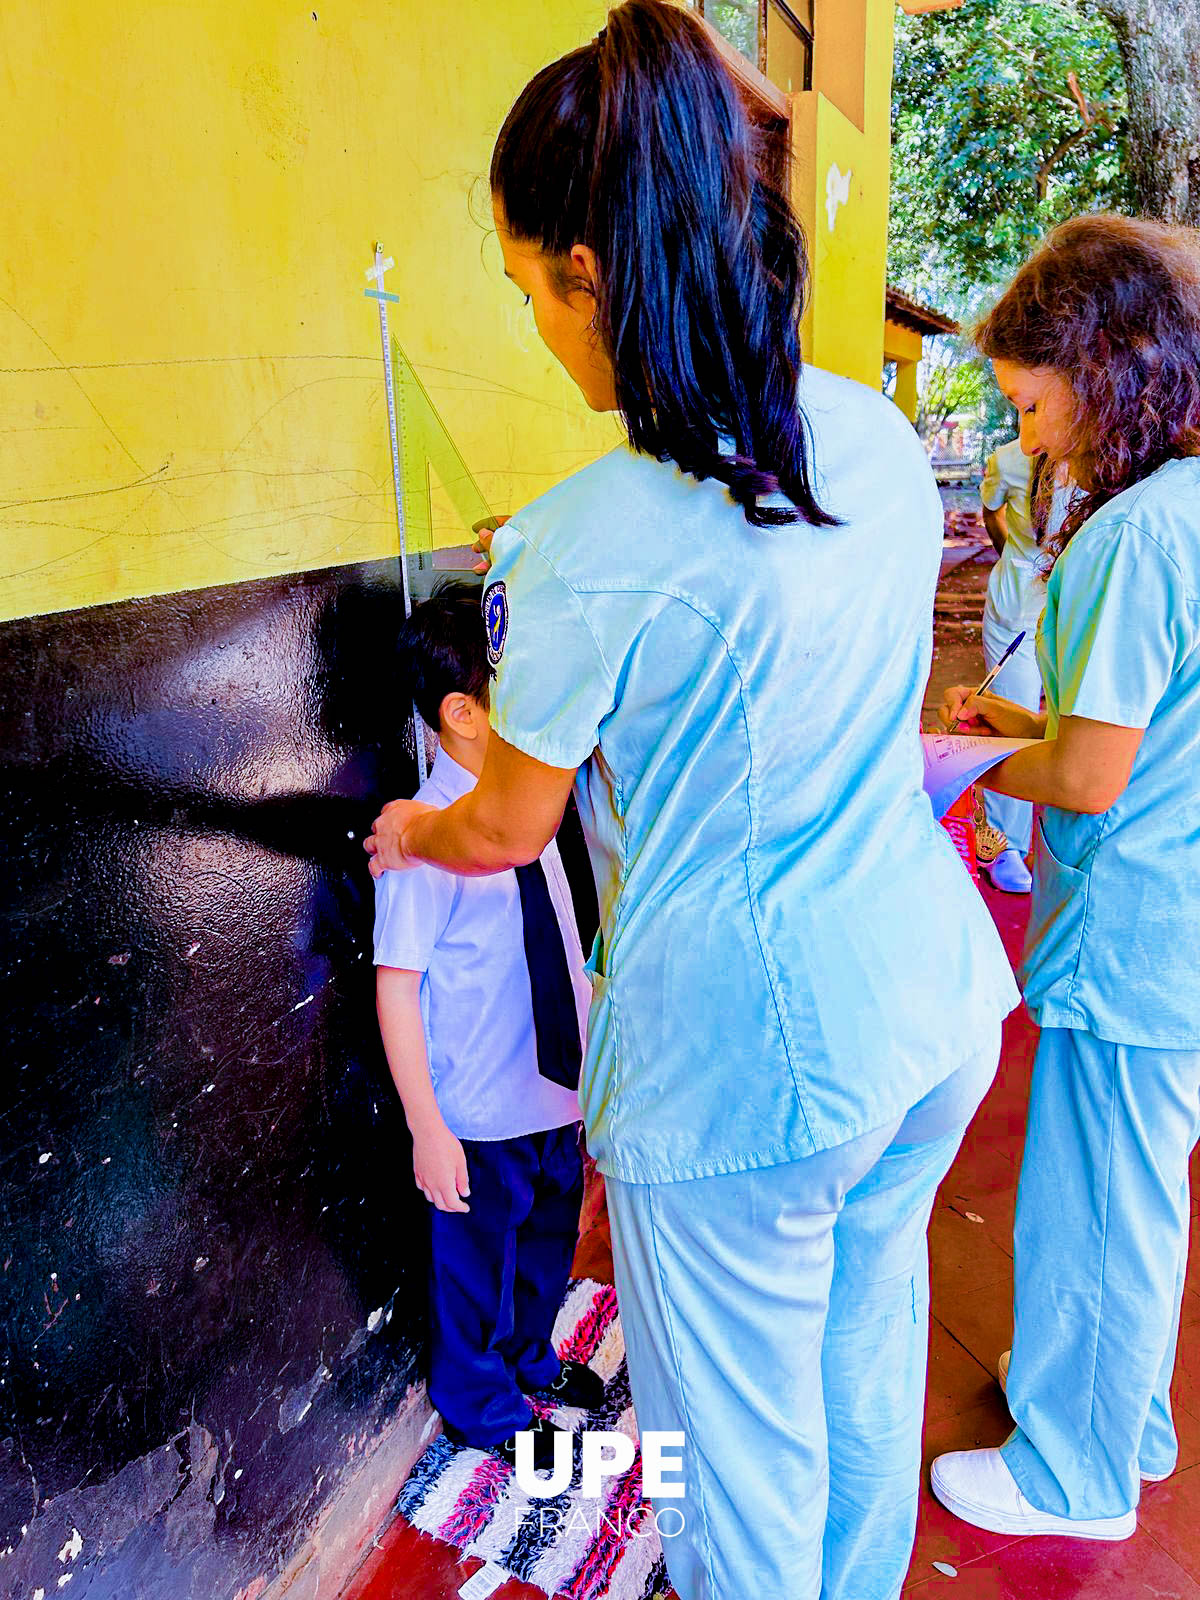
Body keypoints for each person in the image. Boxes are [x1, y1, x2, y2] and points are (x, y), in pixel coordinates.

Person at [367, 5, 1016, 1595]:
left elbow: (510, 821)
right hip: (922, 1010)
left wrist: (412, 830)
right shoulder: (859, 431)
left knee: (728, 1471)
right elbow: (742, 578)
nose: (533, 327)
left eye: (530, 289)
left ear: (597, 270)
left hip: (747, 1075)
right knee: (856, 1366)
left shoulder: (589, 538)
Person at [931, 214, 1200, 1544]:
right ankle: (1123, 1423)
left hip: (1138, 929)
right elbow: (1132, 733)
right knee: (1134, 1194)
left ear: (1101, 367)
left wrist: (955, 759)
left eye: (1031, 403)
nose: (1030, 438)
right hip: (1177, 925)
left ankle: (1074, 1480)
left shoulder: (1135, 533)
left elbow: (1094, 777)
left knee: (1097, 1207)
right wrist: (1014, 729)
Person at [373, 580, 603, 1471]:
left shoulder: (529, 804)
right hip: (477, 1111)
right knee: (475, 1268)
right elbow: (397, 987)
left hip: (555, 1088)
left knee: (548, 1244)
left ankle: (530, 1359)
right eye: (526, 685)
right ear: (465, 713)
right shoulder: (418, 839)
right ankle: (479, 1400)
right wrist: (428, 1128)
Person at [976, 439, 1064, 893]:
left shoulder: (1109, 453)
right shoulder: (1009, 459)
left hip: (1077, 601)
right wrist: (1014, 556)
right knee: (1008, 709)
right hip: (1017, 608)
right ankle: (1002, 843)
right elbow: (990, 510)